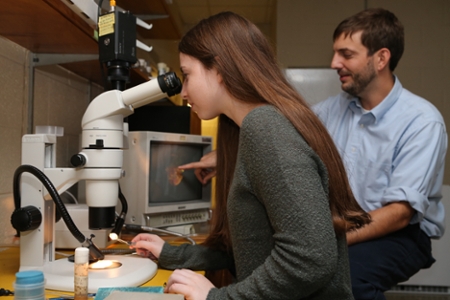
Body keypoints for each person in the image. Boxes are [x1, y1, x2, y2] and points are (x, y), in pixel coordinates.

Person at [181, 8, 448, 300]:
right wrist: (227, 157)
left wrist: (327, 237)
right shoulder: (331, 109)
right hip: (337, 226)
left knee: (353, 278)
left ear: (381, 58)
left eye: (347, 54)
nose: (334, 63)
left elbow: (399, 213)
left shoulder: (422, 121)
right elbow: (284, 143)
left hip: (399, 233)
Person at [131, 11, 371, 300]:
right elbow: (250, 249)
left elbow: (310, 260)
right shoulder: (242, 131)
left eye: (187, 74)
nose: (183, 91)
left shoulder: (265, 128)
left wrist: (216, 297)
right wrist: (173, 254)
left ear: (218, 69)